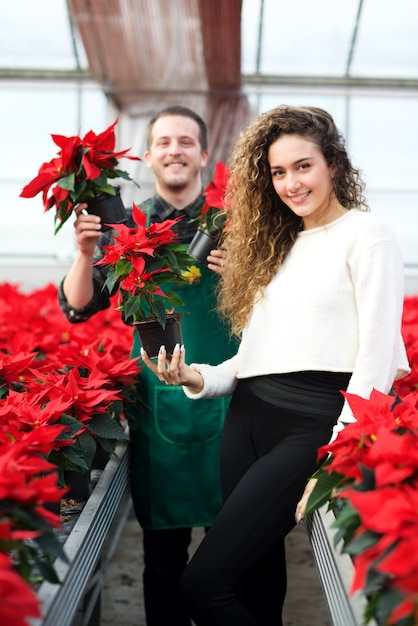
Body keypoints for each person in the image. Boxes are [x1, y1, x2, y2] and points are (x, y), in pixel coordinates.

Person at [141, 104, 411, 626]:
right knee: (254, 580)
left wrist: (337, 453)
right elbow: (256, 356)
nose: (291, 183)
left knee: (203, 586)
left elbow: (377, 356)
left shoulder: (367, 235)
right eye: (278, 172)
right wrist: (198, 376)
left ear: (334, 163)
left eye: (303, 166)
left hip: (308, 424)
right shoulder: (278, 245)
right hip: (245, 420)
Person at [58, 105, 237, 626]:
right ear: (150, 156)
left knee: (239, 558)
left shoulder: (234, 220)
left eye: (186, 141)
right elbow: (77, 308)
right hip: (160, 408)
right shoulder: (127, 227)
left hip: (233, 403)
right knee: (162, 562)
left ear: (204, 154)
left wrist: (247, 271)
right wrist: (86, 250)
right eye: (163, 142)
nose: (174, 150)